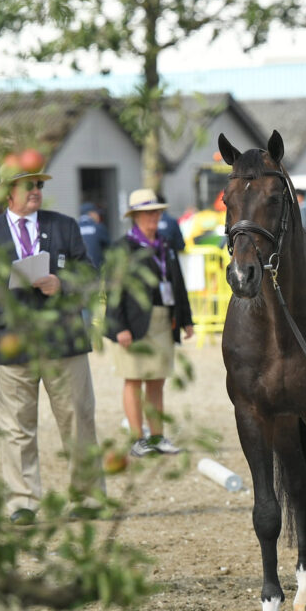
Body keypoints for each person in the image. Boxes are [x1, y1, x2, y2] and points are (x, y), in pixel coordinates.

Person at [0, 167, 103, 524]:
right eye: (29, 185)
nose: (36, 190)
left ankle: (87, 497)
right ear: (8, 193)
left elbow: (89, 275)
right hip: (12, 344)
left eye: (40, 185)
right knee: (16, 428)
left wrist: (63, 283)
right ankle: (22, 503)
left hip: (65, 343)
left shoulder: (64, 225)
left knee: (79, 421)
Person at [105, 189, 194, 457]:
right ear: (135, 217)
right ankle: (137, 439)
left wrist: (186, 319)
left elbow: (177, 284)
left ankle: (157, 437)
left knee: (157, 381)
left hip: (163, 320)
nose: (153, 217)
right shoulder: (122, 248)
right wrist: (119, 326)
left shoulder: (165, 244)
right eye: (147, 213)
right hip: (133, 323)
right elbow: (113, 291)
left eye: (156, 212)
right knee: (133, 380)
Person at [77, 202, 110, 268]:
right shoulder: (98, 228)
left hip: (77, 275)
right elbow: (111, 250)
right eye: (97, 213)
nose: (99, 216)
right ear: (91, 214)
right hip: (96, 274)